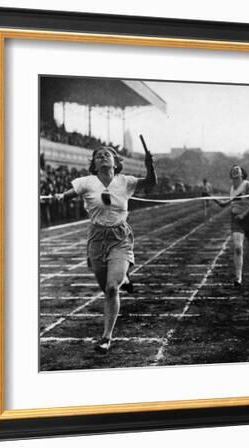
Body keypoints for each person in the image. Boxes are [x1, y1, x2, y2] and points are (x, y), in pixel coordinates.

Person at [55, 144, 157, 354]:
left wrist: (150, 167)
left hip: (120, 237)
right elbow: (70, 193)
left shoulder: (125, 181)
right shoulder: (86, 182)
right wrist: (60, 197)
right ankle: (125, 278)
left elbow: (150, 184)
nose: (102, 157)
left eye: (107, 155)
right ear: (93, 163)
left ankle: (106, 337)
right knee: (105, 286)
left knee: (111, 288)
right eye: (98, 156)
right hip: (97, 239)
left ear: (116, 162)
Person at [212, 164, 249, 287]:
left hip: (247, 218)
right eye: (232, 169)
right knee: (238, 248)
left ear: (242, 174)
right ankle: (238, 277)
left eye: (237, 169)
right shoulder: (232, 188)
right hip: (235, 219)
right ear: (230, 175)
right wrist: (213, 199)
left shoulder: (247, 185)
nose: (234, 170)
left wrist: (243, 215)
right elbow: (226, 204)